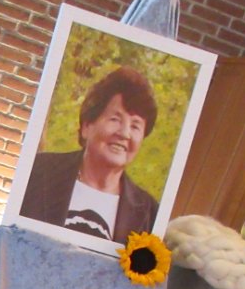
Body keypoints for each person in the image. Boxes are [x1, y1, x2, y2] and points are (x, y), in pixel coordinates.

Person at [20, 65, 159, 241]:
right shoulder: (37, 171)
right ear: (87, 126)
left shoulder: (149, 214)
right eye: (115, 119)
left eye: (135, 126)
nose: (124, 133)